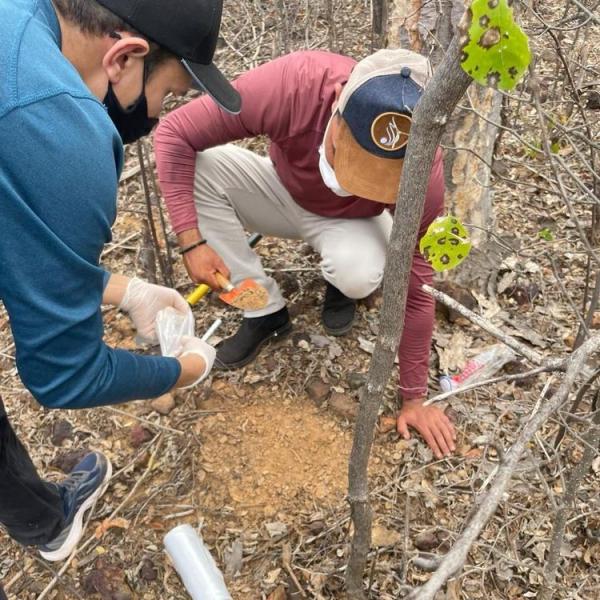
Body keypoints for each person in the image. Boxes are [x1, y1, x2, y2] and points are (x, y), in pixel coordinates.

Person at [0, 0, 239, 562]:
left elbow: (14, 233)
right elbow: (64, 375)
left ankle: (47, 523)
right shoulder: (61, 127)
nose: (159, 112)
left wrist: (123, 290)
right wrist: (183, 369)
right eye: (170, 93)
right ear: (125, 57)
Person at [154, 49, 457, 460]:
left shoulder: (426, 167)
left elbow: (418, 285)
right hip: (279, 188)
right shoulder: (295, 85)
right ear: (336, 106)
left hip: (351, 224)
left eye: (374, 177)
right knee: (201, 172)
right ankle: (261, 310)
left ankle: (341, 287)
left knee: (357, 271)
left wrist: (414, 398)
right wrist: (190, 241)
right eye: (348, 159)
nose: (351, 180)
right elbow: (174, 133)